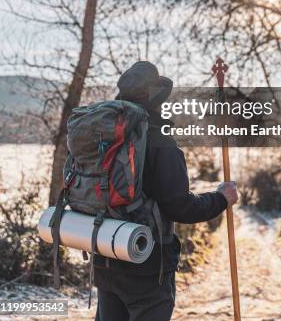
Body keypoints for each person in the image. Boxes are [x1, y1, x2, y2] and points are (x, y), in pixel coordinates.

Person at [94, 61, 238, 321]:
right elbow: (179, 206)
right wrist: (221, 199)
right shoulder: (160, 141)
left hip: (104, 256)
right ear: (157, 99)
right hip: (146, 265)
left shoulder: (105, 135)